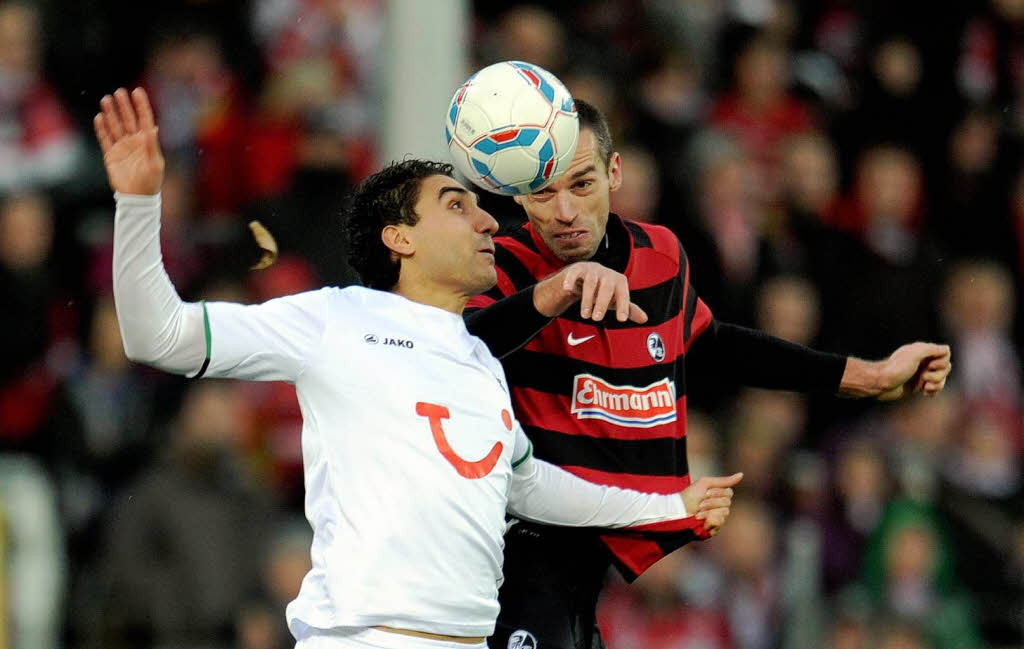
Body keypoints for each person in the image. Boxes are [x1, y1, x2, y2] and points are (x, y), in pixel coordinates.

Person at [94, 87, 741, 649]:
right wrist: (139, 205)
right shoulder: (335, 320)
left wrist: (663, 502)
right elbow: (160, 336)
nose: (490, 218)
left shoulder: (481, 363)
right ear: (399, 238)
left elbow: (533, 485)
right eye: (457, 205)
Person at [464, 99, 953, 649]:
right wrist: (548, 296)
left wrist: (867, 376)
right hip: (517, 549)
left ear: (615, 172)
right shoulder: (497, 264)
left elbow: (713, 344)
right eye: (543, 192)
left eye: (582, 184)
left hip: (600, 559)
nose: (565, 211)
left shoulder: (662, 255)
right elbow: (456, 349)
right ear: (519, 195)